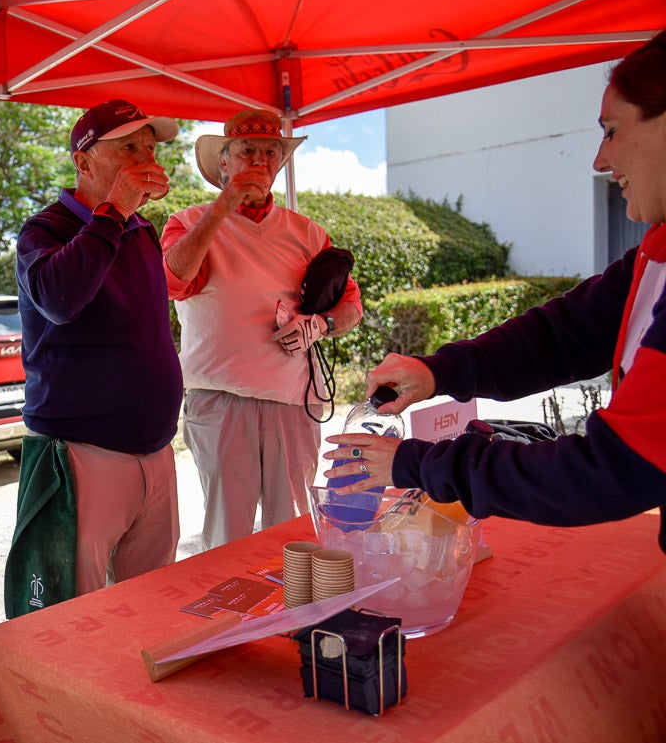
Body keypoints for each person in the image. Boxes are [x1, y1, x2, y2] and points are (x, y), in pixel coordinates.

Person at [324, 29, 666, 554]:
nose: (600, 160)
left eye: (612, 131)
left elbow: (610, 470)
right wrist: (440, 371)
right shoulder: (655, 253)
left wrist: (416, 463)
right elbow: (565, 335)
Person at [161, 109, 363, 550]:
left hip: (293, 400)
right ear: (224, 161)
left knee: (291, 534)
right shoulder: (188, 221)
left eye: (271, 152)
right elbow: (172, 281)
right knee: (226, 535)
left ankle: (289, 599)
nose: (260, 160)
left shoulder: (307, 232)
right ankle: (230, 601)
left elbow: (351, 305)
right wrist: (224, 205)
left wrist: (321, 324)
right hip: (221, 398)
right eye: (247, 150)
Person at [9, 98, 184, 602]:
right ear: (83, 162)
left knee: (151, 608)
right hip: (80, 453)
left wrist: (122, 215)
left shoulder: (142, 230)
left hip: (156, 450)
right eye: (128, 148)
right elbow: (60, 299)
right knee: (69, 612)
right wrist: (112, 212)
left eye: (149, 148)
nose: (145, 159)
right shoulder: (44, 230)